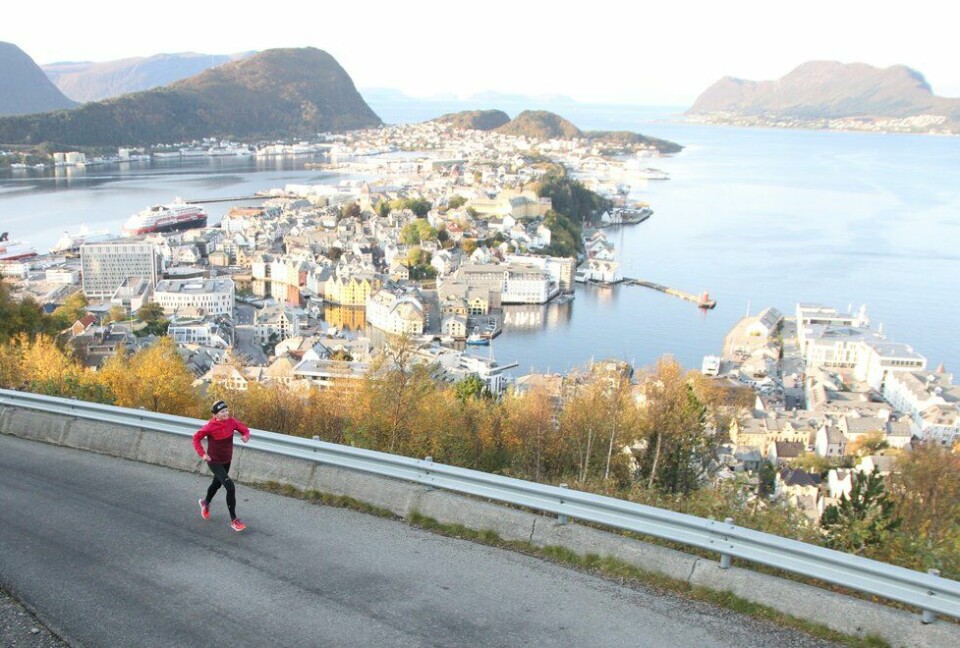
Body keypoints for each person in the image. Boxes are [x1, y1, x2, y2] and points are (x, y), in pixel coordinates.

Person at [193, 400, 250, 531]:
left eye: (226, 410)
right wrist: (202, 454)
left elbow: (245, 430)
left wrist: (246, 436)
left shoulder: (232, 422)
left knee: (217, 483)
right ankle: (234, 520)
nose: (226, 413)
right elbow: (196, 438)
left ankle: (205, 502)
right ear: (215, 415)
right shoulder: (210, 427)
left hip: (226, 460)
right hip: (214, 461)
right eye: (222, 412)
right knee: (230, 487)